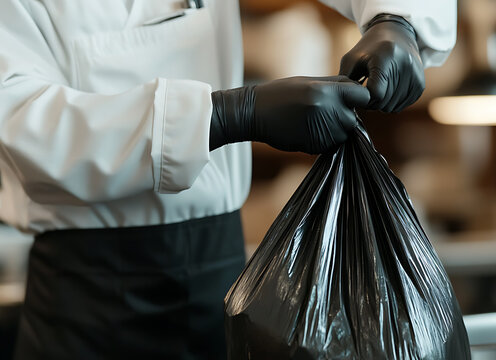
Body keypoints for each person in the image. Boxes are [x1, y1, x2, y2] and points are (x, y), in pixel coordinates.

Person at [0, 0, 455, 358]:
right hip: (84, 299)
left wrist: (397, 19)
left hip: (225, 278)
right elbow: (20, 120)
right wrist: (227, 116)